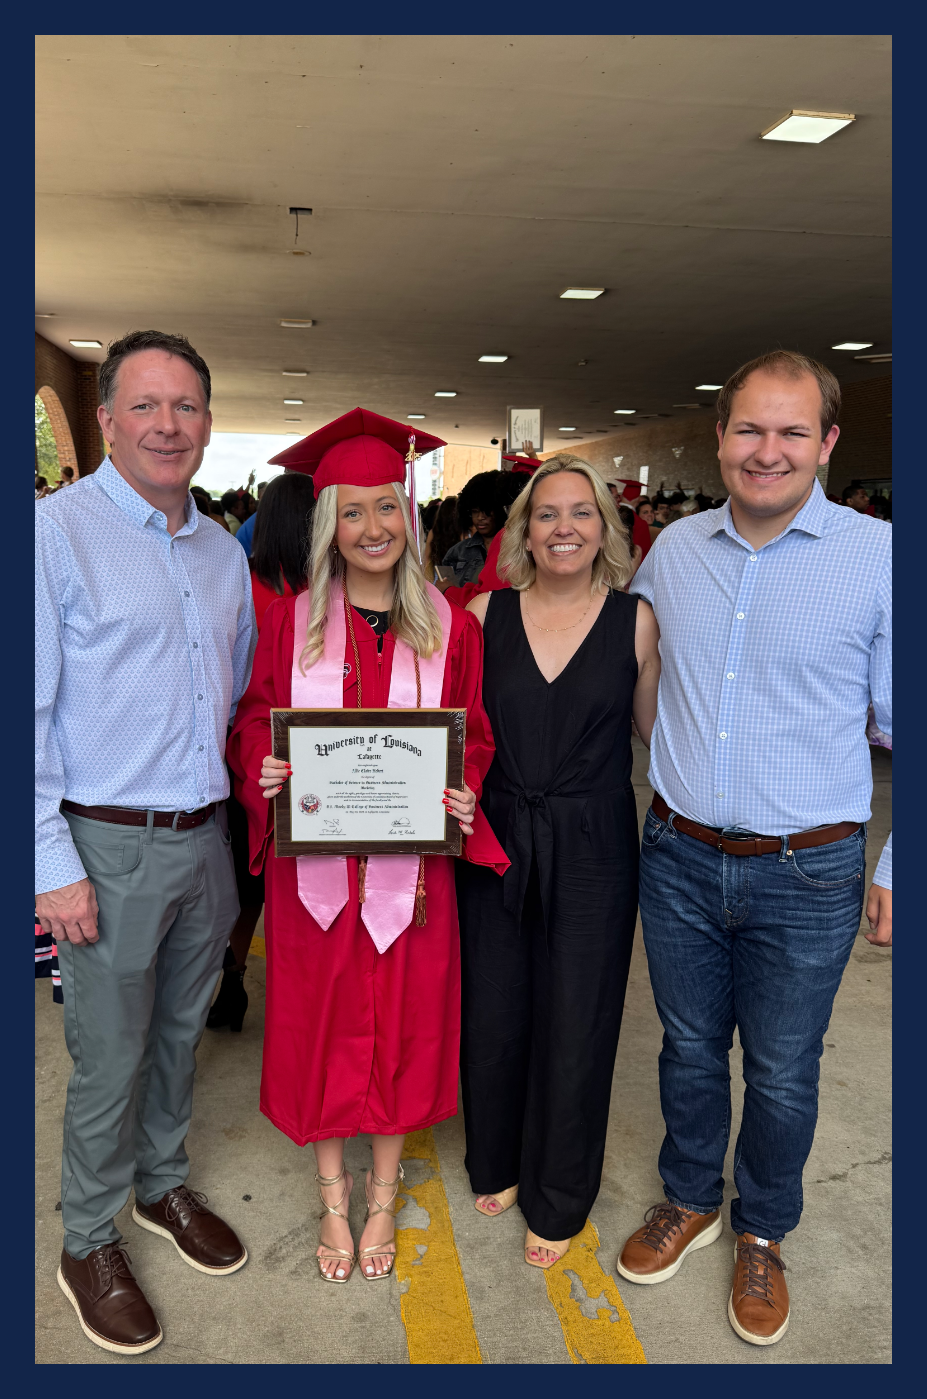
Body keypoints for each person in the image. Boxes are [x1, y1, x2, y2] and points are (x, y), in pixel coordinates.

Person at [619, 349, 891, 1348]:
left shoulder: (878, 556)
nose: (765, 451)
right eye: (748, 430)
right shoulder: (674, 552)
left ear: (825, 444)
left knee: (781, 1067)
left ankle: (764, 1227)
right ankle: (690, 1197)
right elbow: (644, 681)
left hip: (808, 869)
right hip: (680, 854)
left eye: (790, 432)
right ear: (719, 439)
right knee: (687, 1045)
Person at [227, 407, 507, 1285]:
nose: (373, 528)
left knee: (406, 1029)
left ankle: (382, 1193)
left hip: (409, 879)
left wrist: (463, 788)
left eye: (387, 508)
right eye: (352, 512)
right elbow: (252, 717)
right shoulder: (294, 621)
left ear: (409, 516)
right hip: (314, 881)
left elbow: (478, 733)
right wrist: (264, 768)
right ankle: (331, 1197)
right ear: (329, 527)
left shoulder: (451, 625)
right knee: (318, 1027)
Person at [35, 330, 255, 1355]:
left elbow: (236, 687)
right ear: (108, 421)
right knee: (108, 1057)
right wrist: (51, 865)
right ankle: (87, 1237)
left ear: (208, 423)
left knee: (178, 1037)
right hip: (105, 845)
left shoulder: (221, 552)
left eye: (189, 407)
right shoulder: (54, 534)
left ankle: (159, 1187)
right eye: (148, 406)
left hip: (203, 838)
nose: (170, 425)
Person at [458, 454, 661, 1270]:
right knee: (496, 1010)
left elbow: (659, 739)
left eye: (581, 513)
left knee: (578, 1019)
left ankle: (559, 1191)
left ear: (605, 529)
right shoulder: (481, 613)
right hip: (497, 834)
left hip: (593, 841)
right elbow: (451, 734)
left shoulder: (635, 620)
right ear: (522, 531)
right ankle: (497, 1158)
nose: (564, 527)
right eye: (546, 514)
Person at [207, 471, 316, 1033]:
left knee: (245, 884)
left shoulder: (242, 583)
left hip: (246, 759)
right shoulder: (319, 596)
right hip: (306, 767)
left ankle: (229, 980)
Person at [440, 471, 505, 585]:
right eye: (475, 512)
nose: (480, 518)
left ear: (499, 512)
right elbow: (444, 593)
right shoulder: (456, 552)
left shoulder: (515, 549)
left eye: (486, 512)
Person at [422, 493, 460, 581]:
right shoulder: (463, 533)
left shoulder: (434, 532)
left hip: (438, 574)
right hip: (458, 575)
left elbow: (426, 558)